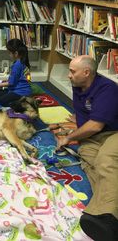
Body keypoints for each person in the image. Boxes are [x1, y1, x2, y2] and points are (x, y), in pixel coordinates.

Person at [56, 55, 118, 241]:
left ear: (87, 72)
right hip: (92, 139)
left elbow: (95, 125)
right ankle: (107, 209)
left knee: (105, 161)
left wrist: (68, 138)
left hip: (113, 133)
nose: (68, 75)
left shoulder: (108, 89)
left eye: (72, 71)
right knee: (89, 162)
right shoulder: (79, 85)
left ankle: (108, 219)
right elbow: (86, 113)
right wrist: (76, 122)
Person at [0, 38, 32, 107]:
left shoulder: (17, 65)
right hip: (26, 91)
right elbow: (24, 78)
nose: (9, 55)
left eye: (9, 53)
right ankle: (22, 100)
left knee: (2, 100)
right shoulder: (23, 62)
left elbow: (11, 83)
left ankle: (21, 103)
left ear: (16, 53)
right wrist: (6, 81)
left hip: (21, 92)